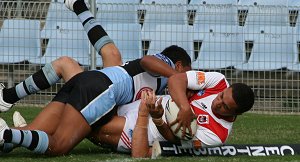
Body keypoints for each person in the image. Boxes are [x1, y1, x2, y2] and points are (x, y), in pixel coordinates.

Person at [0, 71, 255, 158]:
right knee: (81, 96)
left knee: (73, 132)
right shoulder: (219, 82)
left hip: (138, 131)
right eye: (222, 97)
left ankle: (16, 133)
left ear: (236, 114)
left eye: (224, 107)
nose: (218, 103)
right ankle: (21, 133)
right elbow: (177, 79)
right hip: (136, 103)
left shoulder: (218, 134)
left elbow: (177, 141)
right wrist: (184, 107)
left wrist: (158, 118)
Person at [0, 0, 192, 113]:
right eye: (186, 72)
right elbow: (149, 63)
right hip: (109, 88)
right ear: (178, 65)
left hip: (109, 102)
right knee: (70, 62)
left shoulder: (173, 88)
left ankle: (17, 133)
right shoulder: (165, 71)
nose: (188, 78)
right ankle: (8, 98)